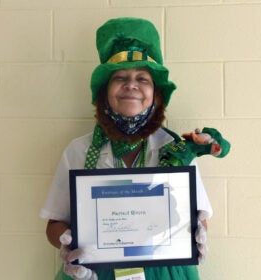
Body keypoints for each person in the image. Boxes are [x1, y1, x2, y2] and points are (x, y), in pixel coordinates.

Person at [40, 17, 230, 280]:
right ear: (104, 92)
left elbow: (199, 217)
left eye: (143, 78)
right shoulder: (79, 150)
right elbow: (54, 222)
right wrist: (65, 241)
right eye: (120, 77)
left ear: (157, 95)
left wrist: (198, 230)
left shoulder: (175, 149)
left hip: (166, 272)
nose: (131, 85)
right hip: (94, 272)